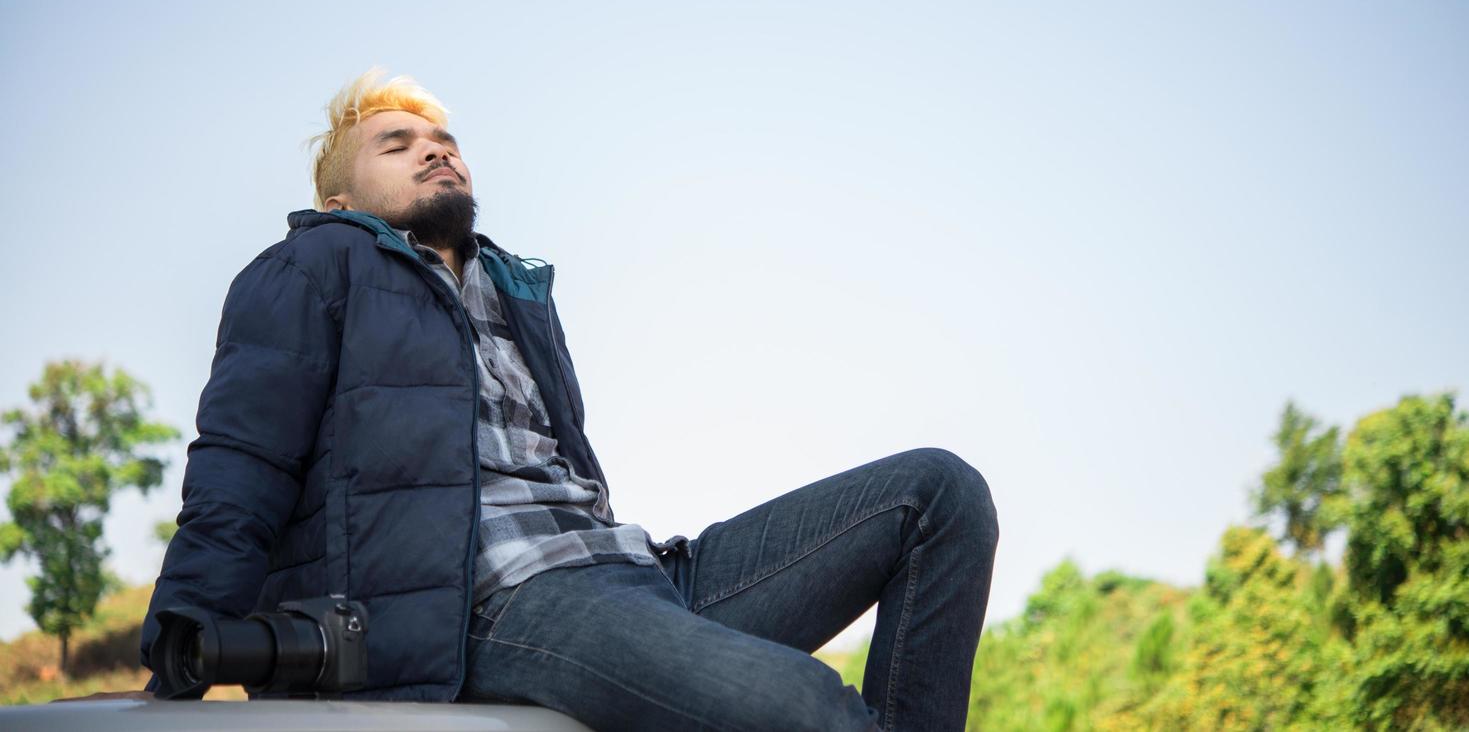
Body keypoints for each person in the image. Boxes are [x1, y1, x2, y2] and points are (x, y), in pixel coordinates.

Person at [137, 68, 1000, 731]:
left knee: (937, 492)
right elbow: (243, 463)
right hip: (487, 604)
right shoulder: (314, 265)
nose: (435, 148)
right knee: (807, 708)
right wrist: (181, 642)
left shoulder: (515, 292)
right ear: (337, 201)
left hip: (633, 576)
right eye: (395, 145)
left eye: (443, 138)